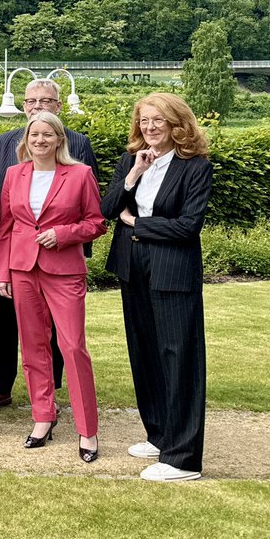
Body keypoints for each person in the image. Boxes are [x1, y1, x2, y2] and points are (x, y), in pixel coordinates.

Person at [101, 93, 213, 482]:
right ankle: (159, 434)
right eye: (145, 120)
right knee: (145, 352)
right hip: (132, 268)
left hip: (172, 270)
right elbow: (105, 209)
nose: (149, 128)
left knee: (178, 357)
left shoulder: (194, 167)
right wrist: (133, 175)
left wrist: (136, 225)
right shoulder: (132, 160)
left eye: (158, 121)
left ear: (177, 124)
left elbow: (187, 226)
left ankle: (183, 458)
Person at [0, 78, 98, 414]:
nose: (38, 105)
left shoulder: (78, 143)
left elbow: (89, 204)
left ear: (58, 106)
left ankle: (52, 394)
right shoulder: (2, 143)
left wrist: (73, 241)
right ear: (24, 105)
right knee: (4, 324)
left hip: (60, 257)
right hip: (16, 256)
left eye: (47, 100)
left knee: (62, 335)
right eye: (32, 100)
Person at [0, 112, 106, 462]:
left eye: (47, 134)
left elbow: (96, 222)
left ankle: (88, 431)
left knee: (72, 347)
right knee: (33, 348)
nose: (40, 140)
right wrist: (1, 273)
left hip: (65, 271)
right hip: (22, 268)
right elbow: (6, 227)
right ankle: (43, 417)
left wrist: (65, 234)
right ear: (26, 139)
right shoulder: (14, 173)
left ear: (59, 140)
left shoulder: (80, 174)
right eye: (34, 134)